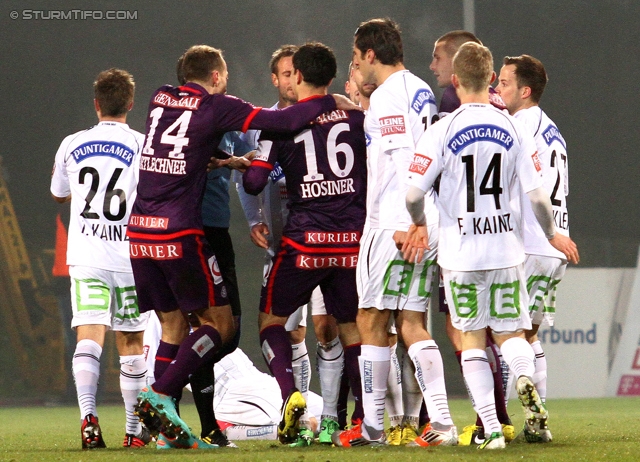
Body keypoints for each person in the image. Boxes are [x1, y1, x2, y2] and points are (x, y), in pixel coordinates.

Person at [129, 44, 358, 449]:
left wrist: (225, 161)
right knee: (221, 326)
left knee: (173, 328)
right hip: (180, 234)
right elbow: (280, 120)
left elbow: (180, 146)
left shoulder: (159, 98)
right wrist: (330, 101)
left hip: (141, 231)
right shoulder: (220, 106)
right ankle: (161, 392)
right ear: (216, 77)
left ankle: (162, 433)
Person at [403, 42, 579, 449]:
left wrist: (418, 222)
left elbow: (413, 195)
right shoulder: (515, 128)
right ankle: (521, 375)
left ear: (458, 80)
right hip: (506, 252)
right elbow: (537, 198)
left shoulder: (441, 129)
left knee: (471, 340)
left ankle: (493, 430)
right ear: (489, 82)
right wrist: (552, 234)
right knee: (513, 334)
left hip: (461, 254)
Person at [332, 18, 456, 448]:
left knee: (370, 318)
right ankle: (440, 423)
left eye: (355, 58)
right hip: (425, 220)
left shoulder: (387, 95)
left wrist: (410, 222)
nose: (356, 67)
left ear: (369, 55)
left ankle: (373, 427)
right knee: (412, 322)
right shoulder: (418, 87)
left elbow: (406, 159)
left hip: (395, 223)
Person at [243, 42, 366, 447]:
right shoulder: (355, 116)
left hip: (305, 241)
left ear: (296, 76)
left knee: (270, 323)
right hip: (350, 242)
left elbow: (255, 182)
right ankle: (357, 421)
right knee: (352, 331)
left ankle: (289, 396)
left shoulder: (282, 122)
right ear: (331, 77)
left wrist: (257, 161)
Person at [50, 68, 151, 449]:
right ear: (130, 103)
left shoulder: (72, 143)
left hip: (87, 255)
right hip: (129, 257)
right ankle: (132, 431)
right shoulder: (142, 145)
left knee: (88, 337)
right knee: (131, 339)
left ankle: (88, 419)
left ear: (96, 105)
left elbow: (59, 193)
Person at [429, 29, 515, 446]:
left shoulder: (452, 108)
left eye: (438, 59)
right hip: (504, 240)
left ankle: (490, 420)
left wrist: (416, 221)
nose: (434, 67)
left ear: (456, 69)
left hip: (461, 242)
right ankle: (509, 410)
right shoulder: (505, 113)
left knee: (465, 332)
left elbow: (422, 183)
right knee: (509, 332)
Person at [496, 54, 570, 443]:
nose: (496, 89)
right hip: (554, 249)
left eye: (504, 83)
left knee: (507, 335)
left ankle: (496, 420)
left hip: (528, 241)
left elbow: (527, 189)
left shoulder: (516, 126)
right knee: (530, 336)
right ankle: (536, 421)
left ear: (524, 91)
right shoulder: (553, 129)